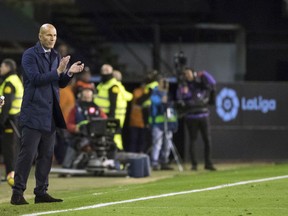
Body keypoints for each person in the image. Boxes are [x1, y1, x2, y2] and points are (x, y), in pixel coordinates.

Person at [10, 23, 85, 205]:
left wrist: (68, 74)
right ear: (40, 36)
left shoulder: (55, 55)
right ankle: (17, 193)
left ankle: (41, 192)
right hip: (33, 113)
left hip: (50, 115)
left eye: (55, 35)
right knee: (27, 155)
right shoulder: (29, 55)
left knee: (46, 156)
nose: (52, 38)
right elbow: (35, 79)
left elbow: (57, 83)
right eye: (49, 35)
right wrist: (58, 71)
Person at [176, 68, 216, 171]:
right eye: (185, 74)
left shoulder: (200, 84)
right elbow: (180, 99)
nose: (187, 75)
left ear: (193, 73)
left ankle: (208, 163)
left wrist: (204, 74)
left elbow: (213, 82)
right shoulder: (183, 87)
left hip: (203, 115)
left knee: (207, 140)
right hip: (191, 117)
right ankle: (194, 164)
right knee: (192, 140)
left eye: (189, 73)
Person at [62, 87, 107, 169]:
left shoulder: (98, 109)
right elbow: (69, 124)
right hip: (80, 135)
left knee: (110, 145)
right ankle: (67, 166)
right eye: (85, 91)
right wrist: (75, 128)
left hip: (95, 136)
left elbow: (105, 120)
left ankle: (109, 164)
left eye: (89, 91)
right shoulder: (75, 109)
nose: (87, 93)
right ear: (80, 94)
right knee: (76, 144)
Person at [94, 64, 132, 150]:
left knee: (115, 138)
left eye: (107, 71)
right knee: (107, 138)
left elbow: (113, 103)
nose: (104, 73)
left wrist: (111, 118)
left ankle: (119, 159)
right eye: (103, 71)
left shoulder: (113, 86)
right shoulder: (103, 84)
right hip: (103, 116)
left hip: (112, 116)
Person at [0, 59, 24, 181]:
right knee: (13, 147)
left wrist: (2, 120)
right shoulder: (16, 79)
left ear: (8, 67)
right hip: (15, 117)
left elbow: (6, 103)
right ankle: (12, 174)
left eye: (2, 66)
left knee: (8, 148)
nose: (0, 69)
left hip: (9, 119)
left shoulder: (9, 82)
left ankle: (10, 174)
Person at [150, 77, 177, 170]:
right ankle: (154, 162)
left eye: (166, 83)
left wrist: (174, 124)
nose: (165, 85)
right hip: (158, 124)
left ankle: (164, 161)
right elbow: (156, 103)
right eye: (163, 83)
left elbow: (172, 110)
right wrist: (162, 100)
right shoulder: (155, 94)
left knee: (167, 143)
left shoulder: (169, 94)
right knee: (157, 144)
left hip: (168, 124)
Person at [128, 83, 149, 153]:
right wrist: (147, 94)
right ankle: (132, 153)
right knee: (134, 139)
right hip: (135, 121)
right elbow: (139, 100)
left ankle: (141, 152)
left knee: (143, 139)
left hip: (143, 121)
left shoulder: (147, 91)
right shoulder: (137, 91)